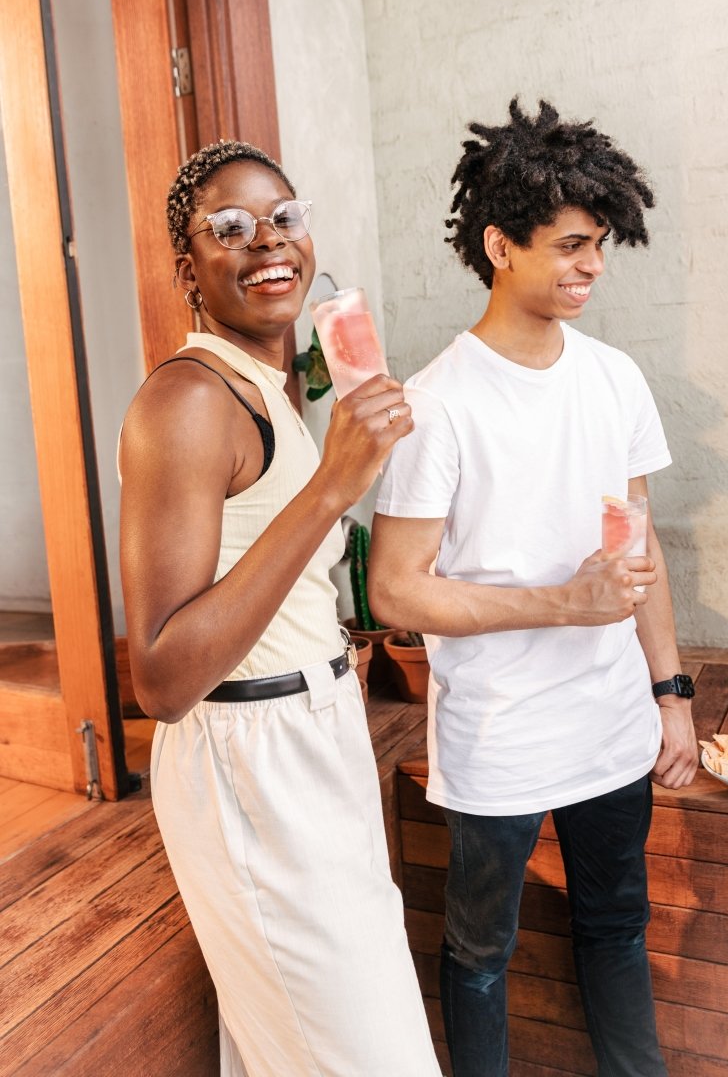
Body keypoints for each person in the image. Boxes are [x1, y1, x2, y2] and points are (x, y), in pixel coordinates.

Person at [368, 99, 698, 1077]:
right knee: (478, 954)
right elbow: (394, 592)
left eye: (598, 244)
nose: (590, 265)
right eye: (566, 245)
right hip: (498, 740)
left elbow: (638, 549)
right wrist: (558, 603)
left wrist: (668, 692)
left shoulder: (612, 379)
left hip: (610, 728)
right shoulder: (437, 404)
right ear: (497, 245)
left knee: (615, 928)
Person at [119, 140, 441, 1077]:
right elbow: (164, 677)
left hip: (315, 729)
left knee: (305, 1050)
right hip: (248, 752)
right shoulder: (186, 400)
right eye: (229, 227)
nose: (267, 241)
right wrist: (331, 488)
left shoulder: (272, 385)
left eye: (284, 216)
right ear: (189, 268)